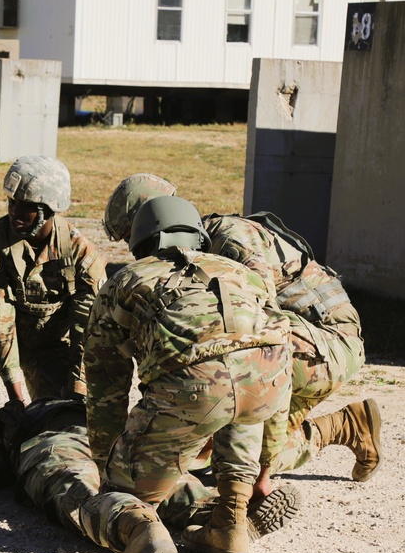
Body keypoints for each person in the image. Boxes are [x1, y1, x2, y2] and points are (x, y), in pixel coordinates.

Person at [103, 174, 381, 487]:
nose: (134, 248)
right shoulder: (190, 250)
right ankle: (350, 425)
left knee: (241, 459)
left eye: (131, 233)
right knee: (209, 451)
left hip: (328, 343)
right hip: (295, 339)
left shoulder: (228, 237)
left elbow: (262, 325)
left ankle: (338, 428)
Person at [84, 196, 293, 553]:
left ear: (140, 241)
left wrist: (109, 470)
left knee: (107, 503)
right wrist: (269, 464)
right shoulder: (242, 273)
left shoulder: (124, 282)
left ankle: (143, 535)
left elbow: (105, 385)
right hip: (268, 378)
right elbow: (276, 348)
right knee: (245, 380)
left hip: (193, 386)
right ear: (197, 234)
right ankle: (230, 525)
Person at [0, 398, 300, 553]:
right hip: (111, 436)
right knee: (157, 481)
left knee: (78, 492)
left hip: (54, 445)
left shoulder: (23, 419)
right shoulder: (87, 401)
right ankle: (223, 515)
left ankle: (138, 528)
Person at [0, 155, 107, 454]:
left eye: (26, 206)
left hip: (51, 350)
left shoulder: (81, 255)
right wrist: (16, 398)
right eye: (12, 202)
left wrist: (75, 400)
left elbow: (86, 335)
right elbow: (1, 316)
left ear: (49, 211)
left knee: (56, 429)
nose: (15, 212)